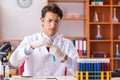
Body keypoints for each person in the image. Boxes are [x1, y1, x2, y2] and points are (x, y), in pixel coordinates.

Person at [9, 4, 79, 76]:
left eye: (56, 21)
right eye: (49, 20)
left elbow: (78, 71)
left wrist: (63, 57)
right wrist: (30, 47)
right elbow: (13, 62)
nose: (53, 25)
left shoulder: (67, 44)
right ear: (42, 21)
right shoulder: (29, 40)